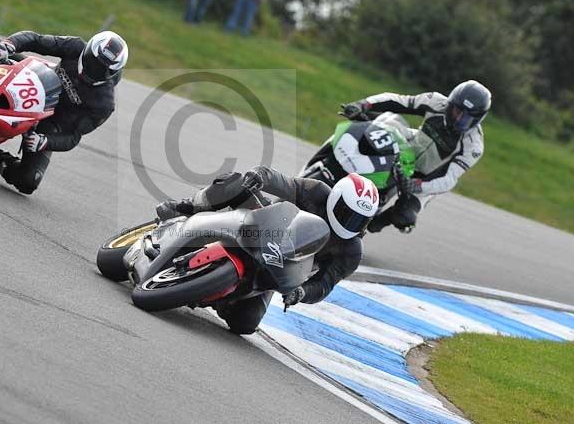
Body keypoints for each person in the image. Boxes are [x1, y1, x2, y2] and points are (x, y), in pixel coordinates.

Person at [155, 166, 378, 334]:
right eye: (347, 214)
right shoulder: (317, 192)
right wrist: (259, 176)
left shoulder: (351, 251)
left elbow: (324, 284)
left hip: (278, 267)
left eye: (360, 221)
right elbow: (280, 182)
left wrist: (301, 292)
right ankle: (187, 206)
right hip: (264, 226)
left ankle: (220, 295)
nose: (351, 224)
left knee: (246, 323)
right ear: (335, 198)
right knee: (237, 183)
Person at [0, 30, 128, 195]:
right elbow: (35, 39)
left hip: (51, 120)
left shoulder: (104, 104)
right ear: (88, 51)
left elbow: (73, 136)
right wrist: (8, 45)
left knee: (28, 180)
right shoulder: (75, 46)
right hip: (39, 81)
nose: (93, 70)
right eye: (93, 62)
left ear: (112, 73)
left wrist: (45, 141)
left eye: (101, 69)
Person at [342, 80, 491, 232]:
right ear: (450, 103)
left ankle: (377, 222)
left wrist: (418, 185)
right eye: (457, 111)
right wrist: (363, 104)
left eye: (466, 117)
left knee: (404, 217)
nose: (459, 119)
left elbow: (449, 179)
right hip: (407, 150)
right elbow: (397, 100)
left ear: (478, 119)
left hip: (427, 178)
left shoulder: (473, 146)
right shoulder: (435, 101)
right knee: (373, 136)